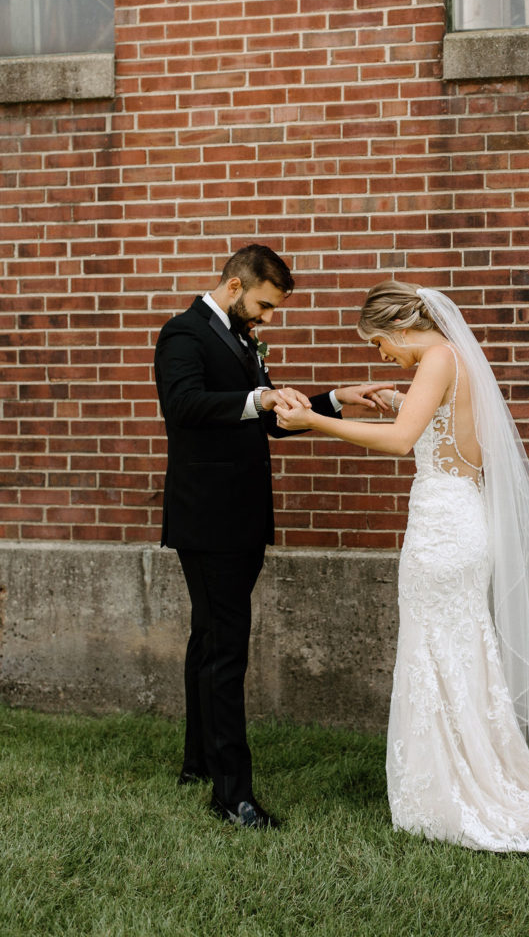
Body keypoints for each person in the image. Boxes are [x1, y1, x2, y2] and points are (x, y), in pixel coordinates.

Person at [275, 280, 529, 876]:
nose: (381, 357)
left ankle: (451, 790)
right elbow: (450, 440)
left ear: (396, 330)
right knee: (455, 649)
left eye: (379, 345)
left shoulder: (436, 357)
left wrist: (314, 420)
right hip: (461, 517)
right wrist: (399, 404)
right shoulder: (455, 360)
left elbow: (400, 443)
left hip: (442, 531)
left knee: (436, 650)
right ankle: (466, 772)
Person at [154, 244, 385, 829]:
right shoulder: (182, 334)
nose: (268, 319)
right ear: (234, 286)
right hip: (208, 519)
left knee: (208, 640)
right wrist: (256, 398)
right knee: (225, 650)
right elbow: (184, 407)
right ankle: (233, 797)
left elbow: (271, 416)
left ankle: (199, 763)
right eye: (264, 305)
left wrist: (334, 400)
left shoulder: (239, 335)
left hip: (240, 518)